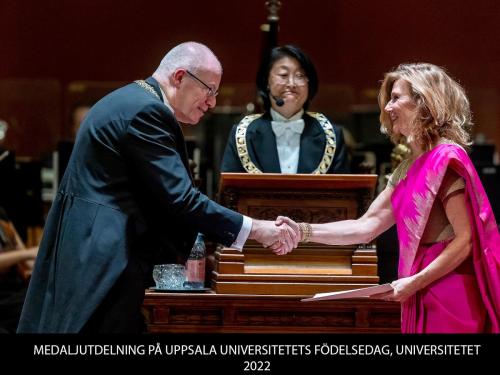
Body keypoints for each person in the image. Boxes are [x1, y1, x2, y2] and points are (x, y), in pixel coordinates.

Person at [17, 42, 298, 333]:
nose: (212, 102)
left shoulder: (133, 101)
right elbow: (181, 200)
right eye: (209, 89)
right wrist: (256, 229)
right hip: (105, 265)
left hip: (94, 255)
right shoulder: (146, 111)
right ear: (179, 77)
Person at [276, 63, 500, 333]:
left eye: (396, 98)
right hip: (419, 287)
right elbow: (365, 226)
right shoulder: (407, 167)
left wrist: (414, 282)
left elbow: (465, 240)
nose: (388, 108)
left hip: (450, 294)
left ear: (423, 101)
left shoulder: (444, 157)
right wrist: (302, 231)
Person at [220, 45, 349, 174]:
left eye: (300, 76)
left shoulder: (331, 136)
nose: (291, 83)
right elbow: (230, 191)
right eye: (283, 75)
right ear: (266, 82)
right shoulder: (243, 134)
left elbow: (342, 192)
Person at [0, 206, 38, 333]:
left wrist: (39, 270)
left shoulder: (1, 212)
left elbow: (19, 246)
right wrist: (27, 254)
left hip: (16, 287)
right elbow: (25, 254)